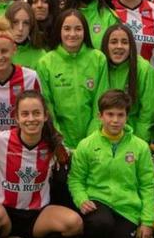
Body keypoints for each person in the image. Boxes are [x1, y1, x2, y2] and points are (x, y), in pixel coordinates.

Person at [0, 92, 83, 238]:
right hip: (4, 213)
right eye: (25, 114)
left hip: (37, 216)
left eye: (36, 113)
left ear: (45, 115)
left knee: (74, 223)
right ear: (16, 117)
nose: (31, 119)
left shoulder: (53, 144)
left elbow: (71, 158)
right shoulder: (1, 139)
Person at [66, 90, 154, 238]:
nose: (115, 120)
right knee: (102, 223)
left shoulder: (140, 147)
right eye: (110, 114)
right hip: (98, 203)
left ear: (127, 116)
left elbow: (148, 185)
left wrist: (147, 221)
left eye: (120, 115)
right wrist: (82, 199)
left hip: (128, 209)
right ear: (100, 116)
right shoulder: (86, 145)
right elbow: (76, 179)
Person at [38, 10, 108, 151]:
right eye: (67, 29)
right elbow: (47, 105)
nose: (72, 34)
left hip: (94, 141)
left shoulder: (98, 59)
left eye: (78, 29)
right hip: (60, 144)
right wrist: (59, 139)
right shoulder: (46, 62)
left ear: (85, 32)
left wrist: (92, 138)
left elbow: (101, 103)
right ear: (59, 31)